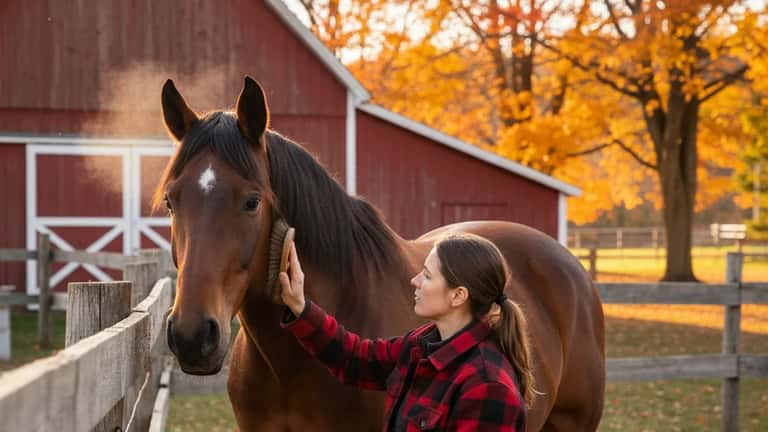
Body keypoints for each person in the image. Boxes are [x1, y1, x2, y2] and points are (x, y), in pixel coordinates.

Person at [279, 233, 535, 431]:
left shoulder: (487, 387)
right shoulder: (422, 344)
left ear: (458, 295)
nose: (415, 281)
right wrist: (302, 309)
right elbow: (355, 359)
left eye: (427, 275)